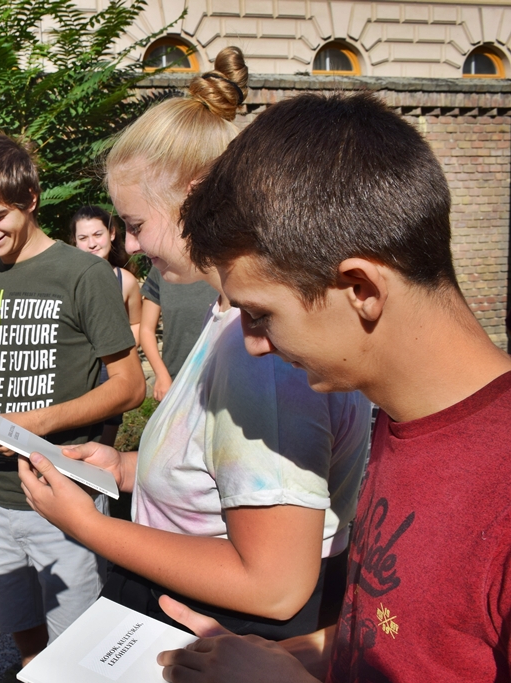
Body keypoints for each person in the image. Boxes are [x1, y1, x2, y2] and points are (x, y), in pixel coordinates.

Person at [155, 92, 511, 683]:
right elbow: (408, 640)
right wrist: (288, 657)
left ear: (360, 288)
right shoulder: (402, 422)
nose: (252, 343)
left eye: (262, 314)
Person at [18, 47, 370, 642]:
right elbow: (220, 473)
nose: (129, 246)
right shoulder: (230, 314)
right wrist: (126, 469)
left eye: (136, 223)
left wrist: (88, 526)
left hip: (229, 633)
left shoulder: (262, 352)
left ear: (199, 195)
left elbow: (276, 585)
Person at [0, 132, 146, 666]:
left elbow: (130, 386)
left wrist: (36, 421)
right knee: (23, 638)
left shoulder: (83, 274)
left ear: (30, 199)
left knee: (79, 648)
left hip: (66, 491)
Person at [71, 205, 142, 445]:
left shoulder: (127, 281)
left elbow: (136, 323)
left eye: (97, 234)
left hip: (111, 373)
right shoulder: (68, 282)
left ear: (112, 233)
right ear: (74, 242)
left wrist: (124, 357)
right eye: (83, 238)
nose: (91, 243)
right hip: (76, 371)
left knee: (104, 446)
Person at [138, 270, 218, 400]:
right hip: (176, 380)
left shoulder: (226, 263)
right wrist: (162, 375)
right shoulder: (161, 269)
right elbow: (146, 329)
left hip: (222, 380)